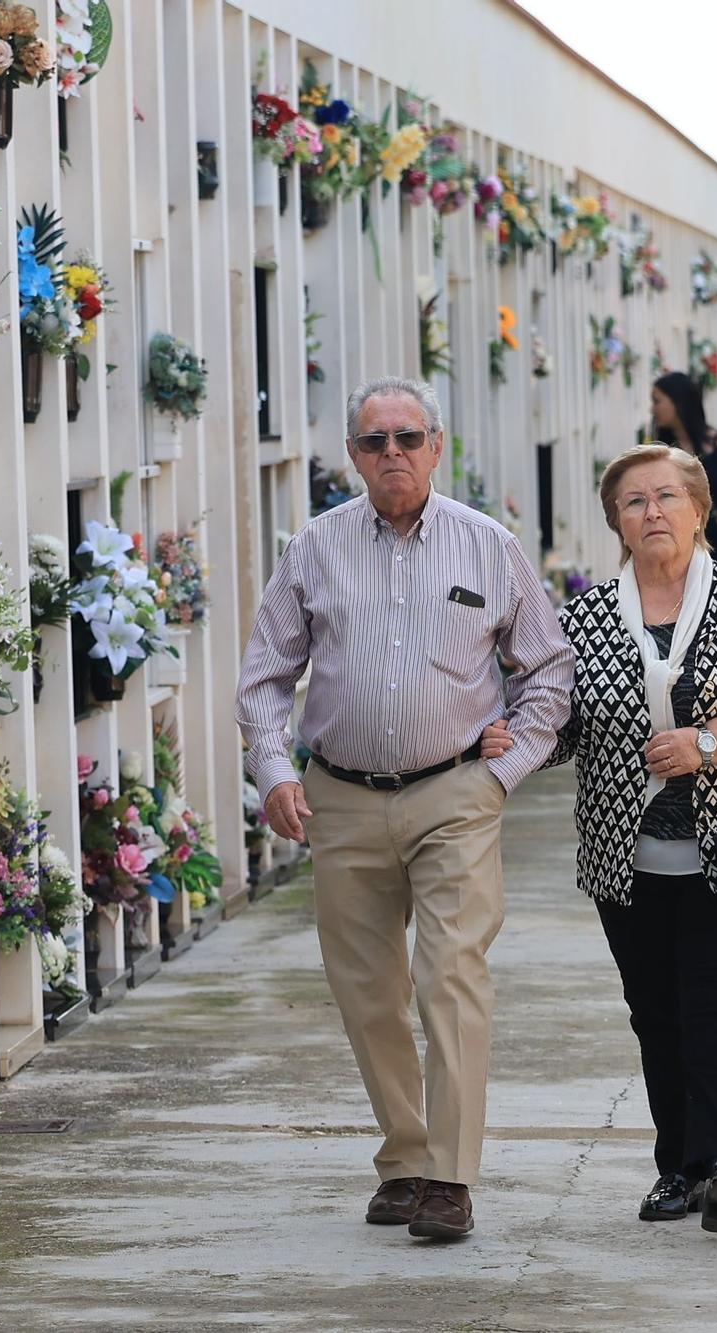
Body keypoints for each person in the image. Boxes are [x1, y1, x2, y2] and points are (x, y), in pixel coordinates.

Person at [235, 376, 574, 1241]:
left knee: (450, 976)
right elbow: (266, 673)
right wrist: (275, 770)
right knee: (367, 991)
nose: (393, 453)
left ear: (437, 445)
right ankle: (407, 1157)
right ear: (352, 455)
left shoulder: (488, 545)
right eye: (375, 441)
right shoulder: (312, 548)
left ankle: (451, 1179)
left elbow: (548, 669)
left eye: (408, 438)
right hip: (341, 799)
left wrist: (507, 769)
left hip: (456, 793)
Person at [480, 444, 717, 1234]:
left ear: (699, 509)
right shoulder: (587, 616)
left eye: (667, 496)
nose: (652, 512)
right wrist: (511, 735)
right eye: (634, 502)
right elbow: (563, 729)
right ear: (617, 523)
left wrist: (710, 743)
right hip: (624, 858)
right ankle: (679, 1166)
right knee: (656, 1012)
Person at [651, 371, 717, 568]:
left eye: (657, 401)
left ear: (677, 402)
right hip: (677, 555)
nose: (652, 409)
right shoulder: (659, 453)